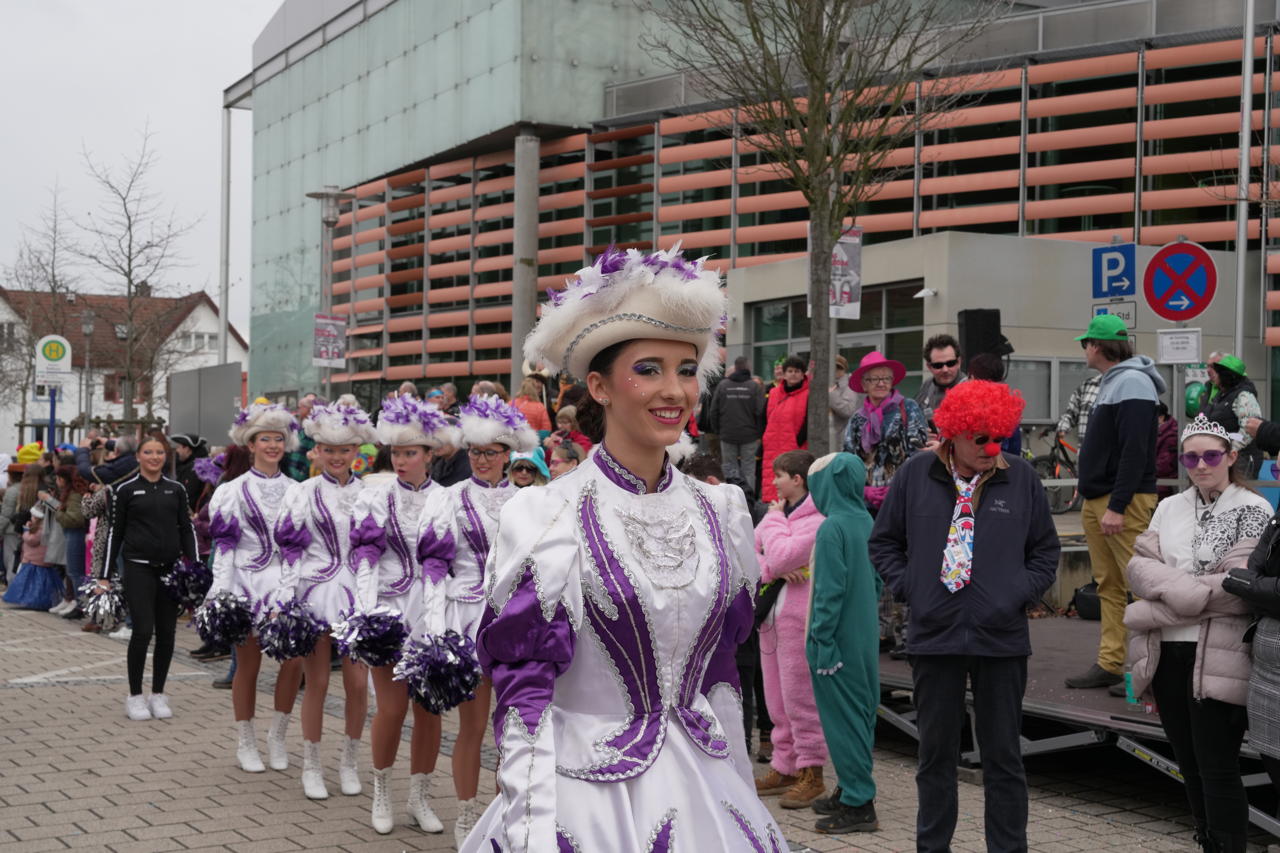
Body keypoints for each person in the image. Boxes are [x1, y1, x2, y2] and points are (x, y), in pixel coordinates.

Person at [461, 246, 782, 851]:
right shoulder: (547, 514)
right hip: (584, 802)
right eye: (649, 369)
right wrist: (530, 826)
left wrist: (741, 791)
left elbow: (721, 678)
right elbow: (525, 688)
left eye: (687, 369)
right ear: (599, 387)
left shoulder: (721, 511)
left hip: (707, 792)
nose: (674, 391)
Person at [869, 379, 1060, 853]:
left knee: (1004, 758)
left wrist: (1012, 596)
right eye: (979, 437)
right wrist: (914, 588)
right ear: (953, 432)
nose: (990, 448)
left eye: (998, 436)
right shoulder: (915, 475)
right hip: (935, 637)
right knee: (935, 758)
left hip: (1001, 639)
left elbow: (1045, 552)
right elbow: (884, 542)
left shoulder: (1021, 477)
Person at [1123, 414, 1269, 853]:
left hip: (1221, 654)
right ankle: (1207, 842)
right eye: (1191, 456)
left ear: (1231, 456)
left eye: (1210, 455)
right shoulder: (1169, 506)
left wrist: (1164, 599)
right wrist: (1186, 594)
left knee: (1217, 765)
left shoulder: (1252, 508)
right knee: (1188, 762)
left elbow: (1240, 590)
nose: (1200, 465)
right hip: (1167, 654)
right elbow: (1137, 569)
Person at [432, 394, 537, 845]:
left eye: (491, 453)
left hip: (514, 623)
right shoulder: (450, 499)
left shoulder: (529, 502)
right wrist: (436, 629)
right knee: (472, 726)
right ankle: (466, 814)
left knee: (513, 728)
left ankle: (506, 817)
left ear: (509, 454)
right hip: (468, 618)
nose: (481, 460)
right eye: (475, 451)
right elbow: (435, 566)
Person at [352, 394, 458, 834]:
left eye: (410, 453)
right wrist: (366, 613)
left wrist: (437, 625)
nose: (400, 460)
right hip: (389, 610)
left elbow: (445, 560)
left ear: (429, 455)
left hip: (435, 607)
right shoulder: (375, 497)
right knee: (392, 709)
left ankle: (419, 798)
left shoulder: (448, 499)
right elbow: (365, 556)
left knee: (429, 708)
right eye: (395, 452)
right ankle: (381, 790)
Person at [272, 397, 379, 801]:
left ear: (357, 451)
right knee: (315, 680)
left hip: (357, 595)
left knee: (355, 683)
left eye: (344, 449)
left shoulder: (370, 494)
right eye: (329, 450)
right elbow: (291, 550)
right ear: (317, 451)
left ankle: (349, 762)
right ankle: (312, 765)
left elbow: (373, 551)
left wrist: (369, 598)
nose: (336, 457)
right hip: (315, 594)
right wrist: (287, 599)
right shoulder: (301, 493)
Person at [206, 402, 306, 772]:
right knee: (247, 663)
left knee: (294, 662)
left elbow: (299, 545)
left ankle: (277, 735)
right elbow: (226, 547)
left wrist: (290, 588)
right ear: (251, 444)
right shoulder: (231, 491)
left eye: (279, 439)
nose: (273, 445)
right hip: (246, 582)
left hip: (287, 583)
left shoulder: (298, 490)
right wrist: (221, 590)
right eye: (265, 439)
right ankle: (245, 739)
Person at [1066, 314, 1165, 690]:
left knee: (1139, 584)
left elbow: (1135, 452)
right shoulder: (1116, 382)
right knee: (1109, 583)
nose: (1084, 349)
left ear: (1098, 346)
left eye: (1085, 343)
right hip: (1102, 497)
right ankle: (1111, 662)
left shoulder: (1133, 382)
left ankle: (1153, 669)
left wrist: (1118, 505)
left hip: (1120, 500)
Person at [804, 451, 882, 835]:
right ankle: (850, 787)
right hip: (863, 637)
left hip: (835, 643)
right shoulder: (865, 520)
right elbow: (878, 580)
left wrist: (822, 640)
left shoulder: (831, 528)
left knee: (842, 721)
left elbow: (828, 593)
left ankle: (858, 803)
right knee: (860, 714)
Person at [98, 435, 198, 721]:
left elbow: (185, 528)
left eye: (159, 453)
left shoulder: (176, 489)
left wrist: (195, 565)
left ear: (166, 457)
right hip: (138, 568)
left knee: (167, 633)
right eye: (148, 452)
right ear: (139, 457)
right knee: (142, 630)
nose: (154, 457)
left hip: (170, 570)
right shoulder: (125, 490)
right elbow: (114, 533)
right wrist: (104, 575)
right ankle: (134, 696)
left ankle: (158, 693)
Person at [753, 449, 828, 809]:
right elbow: (747, 554)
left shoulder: (816, 521)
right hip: (771, 622)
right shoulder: (783, 518)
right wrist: (772, 569)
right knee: (776, 700)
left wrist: (773, 521)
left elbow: (780, 554)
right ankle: (785, 766)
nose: (774, 482)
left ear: (797, 480)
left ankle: (812, 772)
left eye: (779, 475)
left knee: (801, 699)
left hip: (799, 622)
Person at [844, 350, 929, 656]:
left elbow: (919, 454)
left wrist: (896, 490)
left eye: (885, 378)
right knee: (875, 565)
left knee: (905, 564)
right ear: (863, 384)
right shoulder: (857, 419)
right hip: (868, 505)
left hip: (905, 501)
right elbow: (848, 461)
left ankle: (909, 634)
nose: (880, 383)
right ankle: (881, 632)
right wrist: (863, 491)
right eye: (873, 379)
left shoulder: (908, 409)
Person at [1195, 354, 1262, 478]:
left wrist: (1229, 450)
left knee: (1238, 496)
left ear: (1226, 375)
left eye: (1218, 372)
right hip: (1223, 458)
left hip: (1241, 459)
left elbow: (1248, 431)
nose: (1213, 374)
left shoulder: (1244, 396)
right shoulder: (1220, 395)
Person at [712, 355, 767, 496]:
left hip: (727, 434)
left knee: (729, 468)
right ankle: (749, 501)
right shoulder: (753, 386)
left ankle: (731, 500)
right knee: (749, 469)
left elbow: (714, 410)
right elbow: (760, 411)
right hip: (749, 435)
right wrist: (759, 433)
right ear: (748, 367)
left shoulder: (723, 385)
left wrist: (718, 431)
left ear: (735, 367)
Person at [761, 355, 810, 502]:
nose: (793, 374)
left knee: (794, 485)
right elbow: (765, 416)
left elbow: (808, 421)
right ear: (784, 373)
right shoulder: (774, 393)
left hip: (795, 446)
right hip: (773, 446)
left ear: (803, 374)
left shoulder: (809, 394)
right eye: (790, 371)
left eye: (797, 371)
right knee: (773, 485)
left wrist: (798, 440)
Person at [43, 466, 89, 616]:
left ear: (63, 479)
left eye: (58, 478)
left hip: (75, 534)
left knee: (75, 572)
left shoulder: (74, 495)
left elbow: (75, 519)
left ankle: (81, 605)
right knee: (72, 570)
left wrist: (58, 512)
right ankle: (75, 601)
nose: (56, 482)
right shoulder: (69, 493)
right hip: (71, 534)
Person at [2, 507, 62, 609]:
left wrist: (25, 531)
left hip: (35, 560)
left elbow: (31, 540)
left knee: (32, 582)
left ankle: (32, 600)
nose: (31, 518)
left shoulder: (41, 529)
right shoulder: (42, 527)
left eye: (34, 517)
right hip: (37, 559)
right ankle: (34, 600)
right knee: (38, 584)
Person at [914, 333, 966, 423]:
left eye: (950, 363)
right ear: (929, 367)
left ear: (959, 362)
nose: (945, 370)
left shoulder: (970, 388)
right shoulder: (927, 385)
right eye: (938, 365)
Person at [1057, 373, 1102, 445]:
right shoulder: (1088, 384)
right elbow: (1072, 412)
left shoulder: (1123, 382)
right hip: (1087, 452)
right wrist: (1063, 427)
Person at [170, 434, 209, 510]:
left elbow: (188, 496)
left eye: (179, 447)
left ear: (187, 449)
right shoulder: (199, 465)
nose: (177, 450)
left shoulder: (193, 469)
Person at [828, 354, 859, 451]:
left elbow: (848, 410)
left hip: (840, 440)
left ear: (844, 369)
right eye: (833, 367)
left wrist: (832, 395)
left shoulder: (849, 386)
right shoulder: (825, 383)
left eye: (839, 367)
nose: (835, 370)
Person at [1155, 402, 1179, 500]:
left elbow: (1164, 467)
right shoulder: (1159, 432)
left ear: (1161, 418)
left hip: (1163, 486)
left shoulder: (1171, 436)